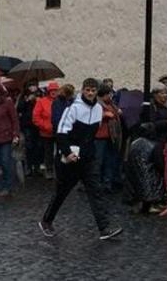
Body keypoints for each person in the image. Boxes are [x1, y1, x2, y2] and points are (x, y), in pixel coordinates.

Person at [39, 78, 122, 240]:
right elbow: (61, 132)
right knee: (62, 192)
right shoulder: (73, 109)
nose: (90, 93)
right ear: (83, 90)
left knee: (96, 191)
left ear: (96, 92)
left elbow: (92, 134)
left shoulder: (98, 109)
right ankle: (46, 221)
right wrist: (67, 152)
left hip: (88, 158)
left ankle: (104, 228)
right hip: (71, 158)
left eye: (93, 90)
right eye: (87, 90)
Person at [96, 86, 123, 192]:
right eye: (108, 94)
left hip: (111, 137)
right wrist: (104, 115)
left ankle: (107, 183)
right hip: (99, 137)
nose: (110, 96)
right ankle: (96, 183)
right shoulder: (97, 105)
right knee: (99, 161)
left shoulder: (111, 104)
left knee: (109, 160)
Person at [33, 82, 57, 178]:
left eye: (55, 90)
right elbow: (36, 117)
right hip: (46, 132)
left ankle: (61, 170)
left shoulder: (61, 101)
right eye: (52, 90)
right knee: (48, 152)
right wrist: (45, 126)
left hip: (59, 132)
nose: (53, 92)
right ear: (48, 91)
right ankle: (49, 169)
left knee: (61, 151)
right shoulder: (41, 102)